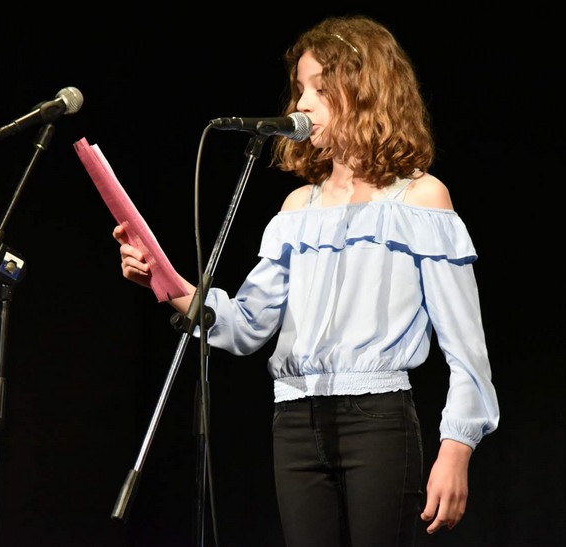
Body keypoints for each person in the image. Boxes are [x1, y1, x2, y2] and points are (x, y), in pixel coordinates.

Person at [112, 14, 499, 547]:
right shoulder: (298, 209)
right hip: (293, 419)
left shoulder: (420, 200)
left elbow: (467, 348)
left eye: (320, 88)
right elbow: (247, 324)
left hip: (375, 419)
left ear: (366, 91)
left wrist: (456, 449)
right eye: (300, 89)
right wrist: (165, 280)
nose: (302, 104)